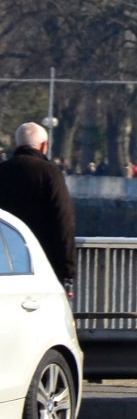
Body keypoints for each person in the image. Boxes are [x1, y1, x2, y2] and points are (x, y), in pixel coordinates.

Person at [0, 122, 77, 294]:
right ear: (44, 146)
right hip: (42, 265)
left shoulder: (2, 171)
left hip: (5, 266)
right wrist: (67, 274)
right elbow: (63, 222)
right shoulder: (49, 172)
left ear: (17, 144)